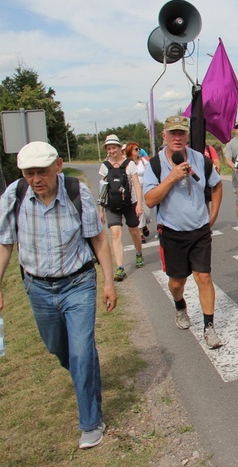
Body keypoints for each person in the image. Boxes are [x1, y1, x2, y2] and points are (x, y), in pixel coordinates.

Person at [0, 141, 117, 449]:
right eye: (29, 173)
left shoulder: (76, 192)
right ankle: (88, 377)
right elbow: (4, 243)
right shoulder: (14, 196)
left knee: (81, 351)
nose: (36, 179)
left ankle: (91, 423)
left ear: (57, 166)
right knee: (60, 350)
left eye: (42, 172)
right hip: (38, 288)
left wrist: (108, 282)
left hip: (78, 284)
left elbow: (97, 239)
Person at [143, 115, 225, 349]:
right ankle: (180, 306)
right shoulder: (155, 165)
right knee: (177, 282)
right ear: (164, 136)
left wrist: (214, 214)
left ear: (187, 135)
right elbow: (149, 200)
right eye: (172, 133)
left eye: (181, 133)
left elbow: (216, 185)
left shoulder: (200, 159)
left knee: (204, 277)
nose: (177, 138)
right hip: (171, 232)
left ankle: (209, 327)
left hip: (199, 230)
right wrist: (171, 177)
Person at [98, 134, 144, 280]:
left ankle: (138, 254)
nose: (112, 151)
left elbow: (136, 184)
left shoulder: (129, 164)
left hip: (129, 203)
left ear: (119, 148)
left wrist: (139, 203)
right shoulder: (104, 167)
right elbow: (102, 189)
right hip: (111, 205)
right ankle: (120, 268)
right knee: (116, 234)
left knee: (134, 231)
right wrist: (100, 210)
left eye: (114, 148)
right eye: (109, 148)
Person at [126, 141, 151, 243]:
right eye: (136, 149)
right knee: (139, 211)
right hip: (134, 190)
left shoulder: (144, 161)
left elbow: (150, 172)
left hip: (145, 188)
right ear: (130, 151)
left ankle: (144, 225)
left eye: (139, 149)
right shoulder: (127, 164)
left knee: (148, 212)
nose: (138, 151)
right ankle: (141, 233)